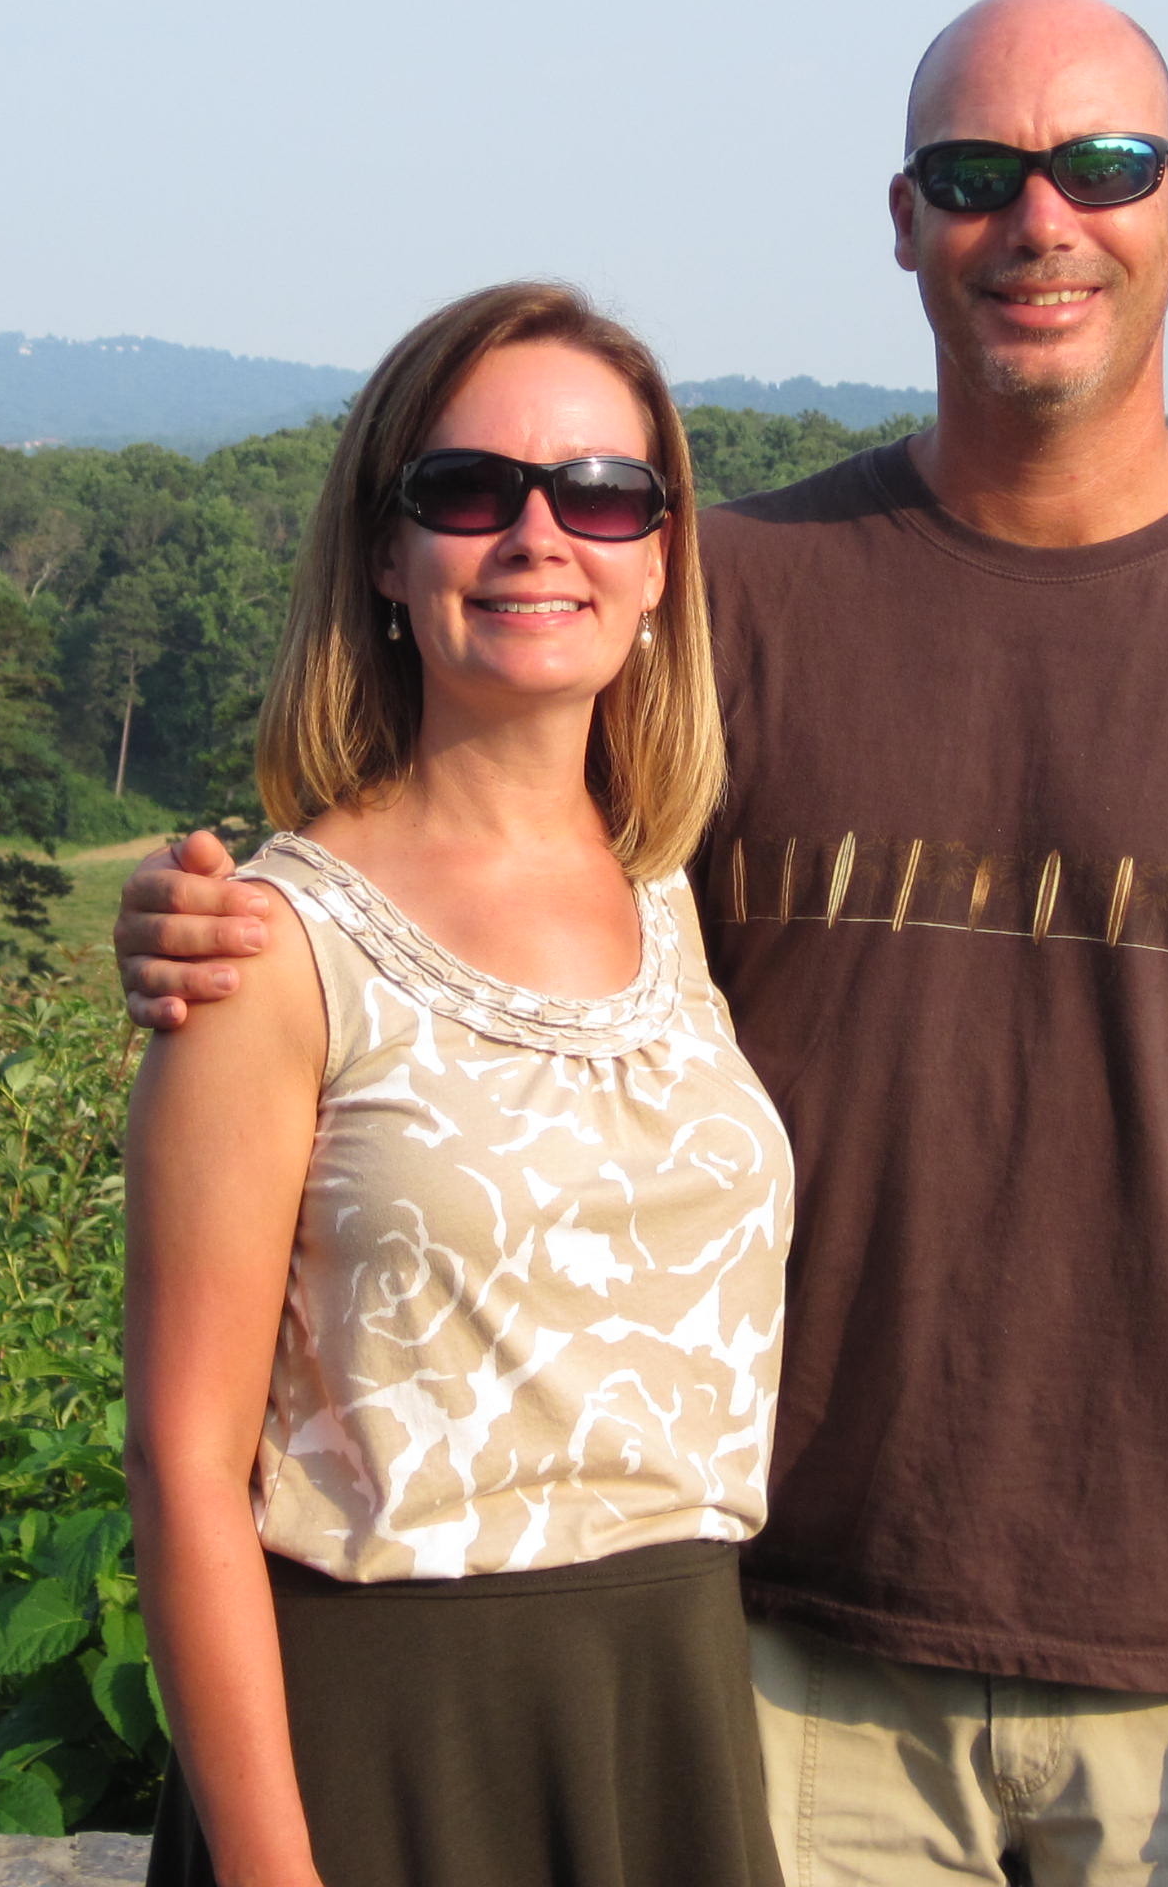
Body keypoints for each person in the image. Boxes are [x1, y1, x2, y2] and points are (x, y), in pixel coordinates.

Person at [122, 0, 1168, 1887]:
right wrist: (221, 922)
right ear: (905, 220)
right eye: (975, 175)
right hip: (774, 1669)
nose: (1040, 221)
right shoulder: (736, 612)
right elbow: (465, 855)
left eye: (1103, 167)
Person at [124, 281, 795, 1887]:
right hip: (382, 1752)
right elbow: (183, 1468)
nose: (537, 537)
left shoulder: (680, 898)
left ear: (660, 561)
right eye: (470, 491)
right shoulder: (273, 948)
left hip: (668, 1717)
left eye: (603, 493)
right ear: (385, 551)